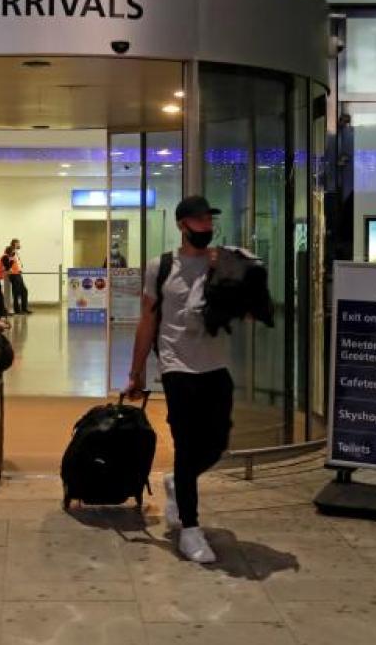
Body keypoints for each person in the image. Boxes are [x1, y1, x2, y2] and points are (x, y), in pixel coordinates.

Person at [125, 195, 233, 564]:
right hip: (176, 366)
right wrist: (135, 371)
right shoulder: (162, 266)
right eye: (200, 220)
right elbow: (147, 321)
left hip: (215, 364)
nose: (207, 226)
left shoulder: (227, 262)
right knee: (187, 443)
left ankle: (177, 481)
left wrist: (227, 276)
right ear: (182, 225)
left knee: (217, 442)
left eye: (210, 220)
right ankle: (190, 528)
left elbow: (248, 312)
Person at [9, 238, 31, 314]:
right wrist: (11, 270)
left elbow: (16, 262)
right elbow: (8, 262)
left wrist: (19, 269)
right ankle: (17, 310)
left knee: (24, 291)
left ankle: (24, 309)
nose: (19, 245)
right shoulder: (11, 251)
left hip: (18, 274)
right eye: (18, 243)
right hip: (14, 275)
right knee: (16, 292)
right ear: (14, 243)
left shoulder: (15, 252)